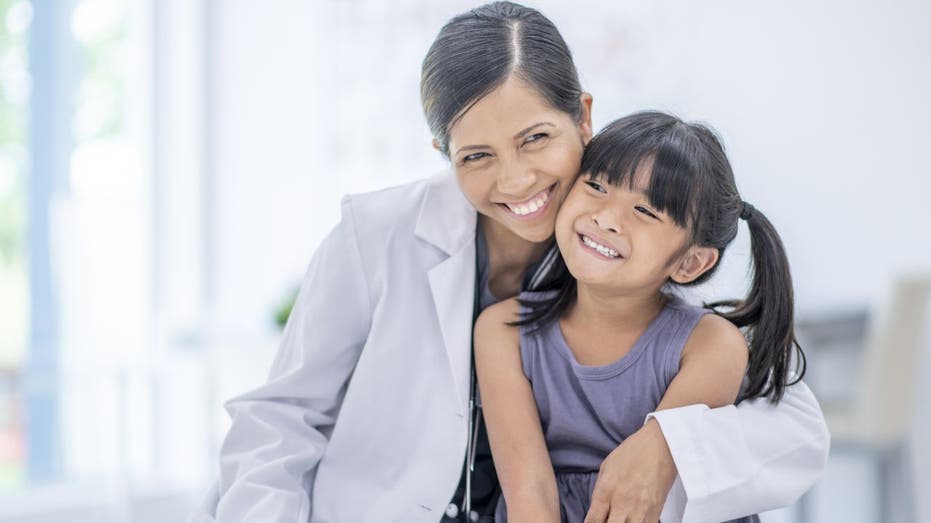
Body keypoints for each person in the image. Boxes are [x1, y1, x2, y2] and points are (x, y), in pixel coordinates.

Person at [189, 3, 829, 522]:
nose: (517, 180)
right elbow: (279, 421)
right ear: (443, 152)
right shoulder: (377, 234)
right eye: (476, 156)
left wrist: (669, 445)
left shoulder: (624, 245)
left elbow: (793, 426)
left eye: (536, 139)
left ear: (581, 115)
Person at [476, 111, 801, 523]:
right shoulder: (504, 331)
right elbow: (529, 497)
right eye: (595, 186)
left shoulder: (710, 345)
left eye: (645, 211)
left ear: (690, 263)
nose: (606, 218)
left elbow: (652, 490)